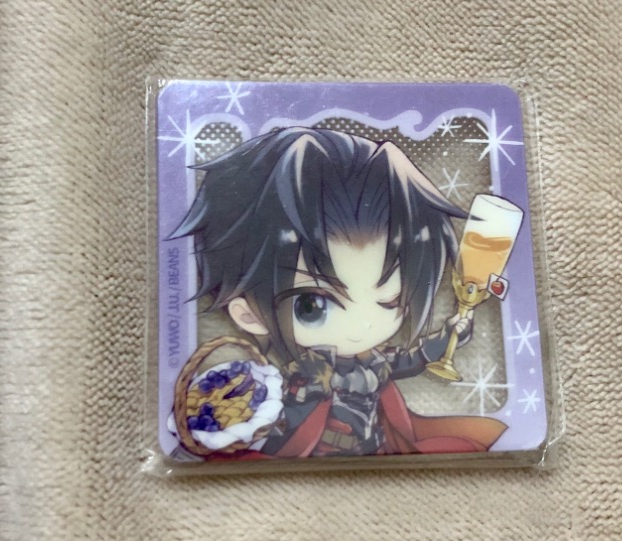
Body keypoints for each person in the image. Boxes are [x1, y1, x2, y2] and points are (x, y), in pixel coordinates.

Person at [170, 127, 507, 458]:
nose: (362, 326)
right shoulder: (308, 374)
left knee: (481, 437)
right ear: (249, 315)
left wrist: (450, 336)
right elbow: (283, 414)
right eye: (313, 307)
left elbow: (409, 359)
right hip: (317, 457)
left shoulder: (373, 360)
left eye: (390, 301)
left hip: (381, 450)